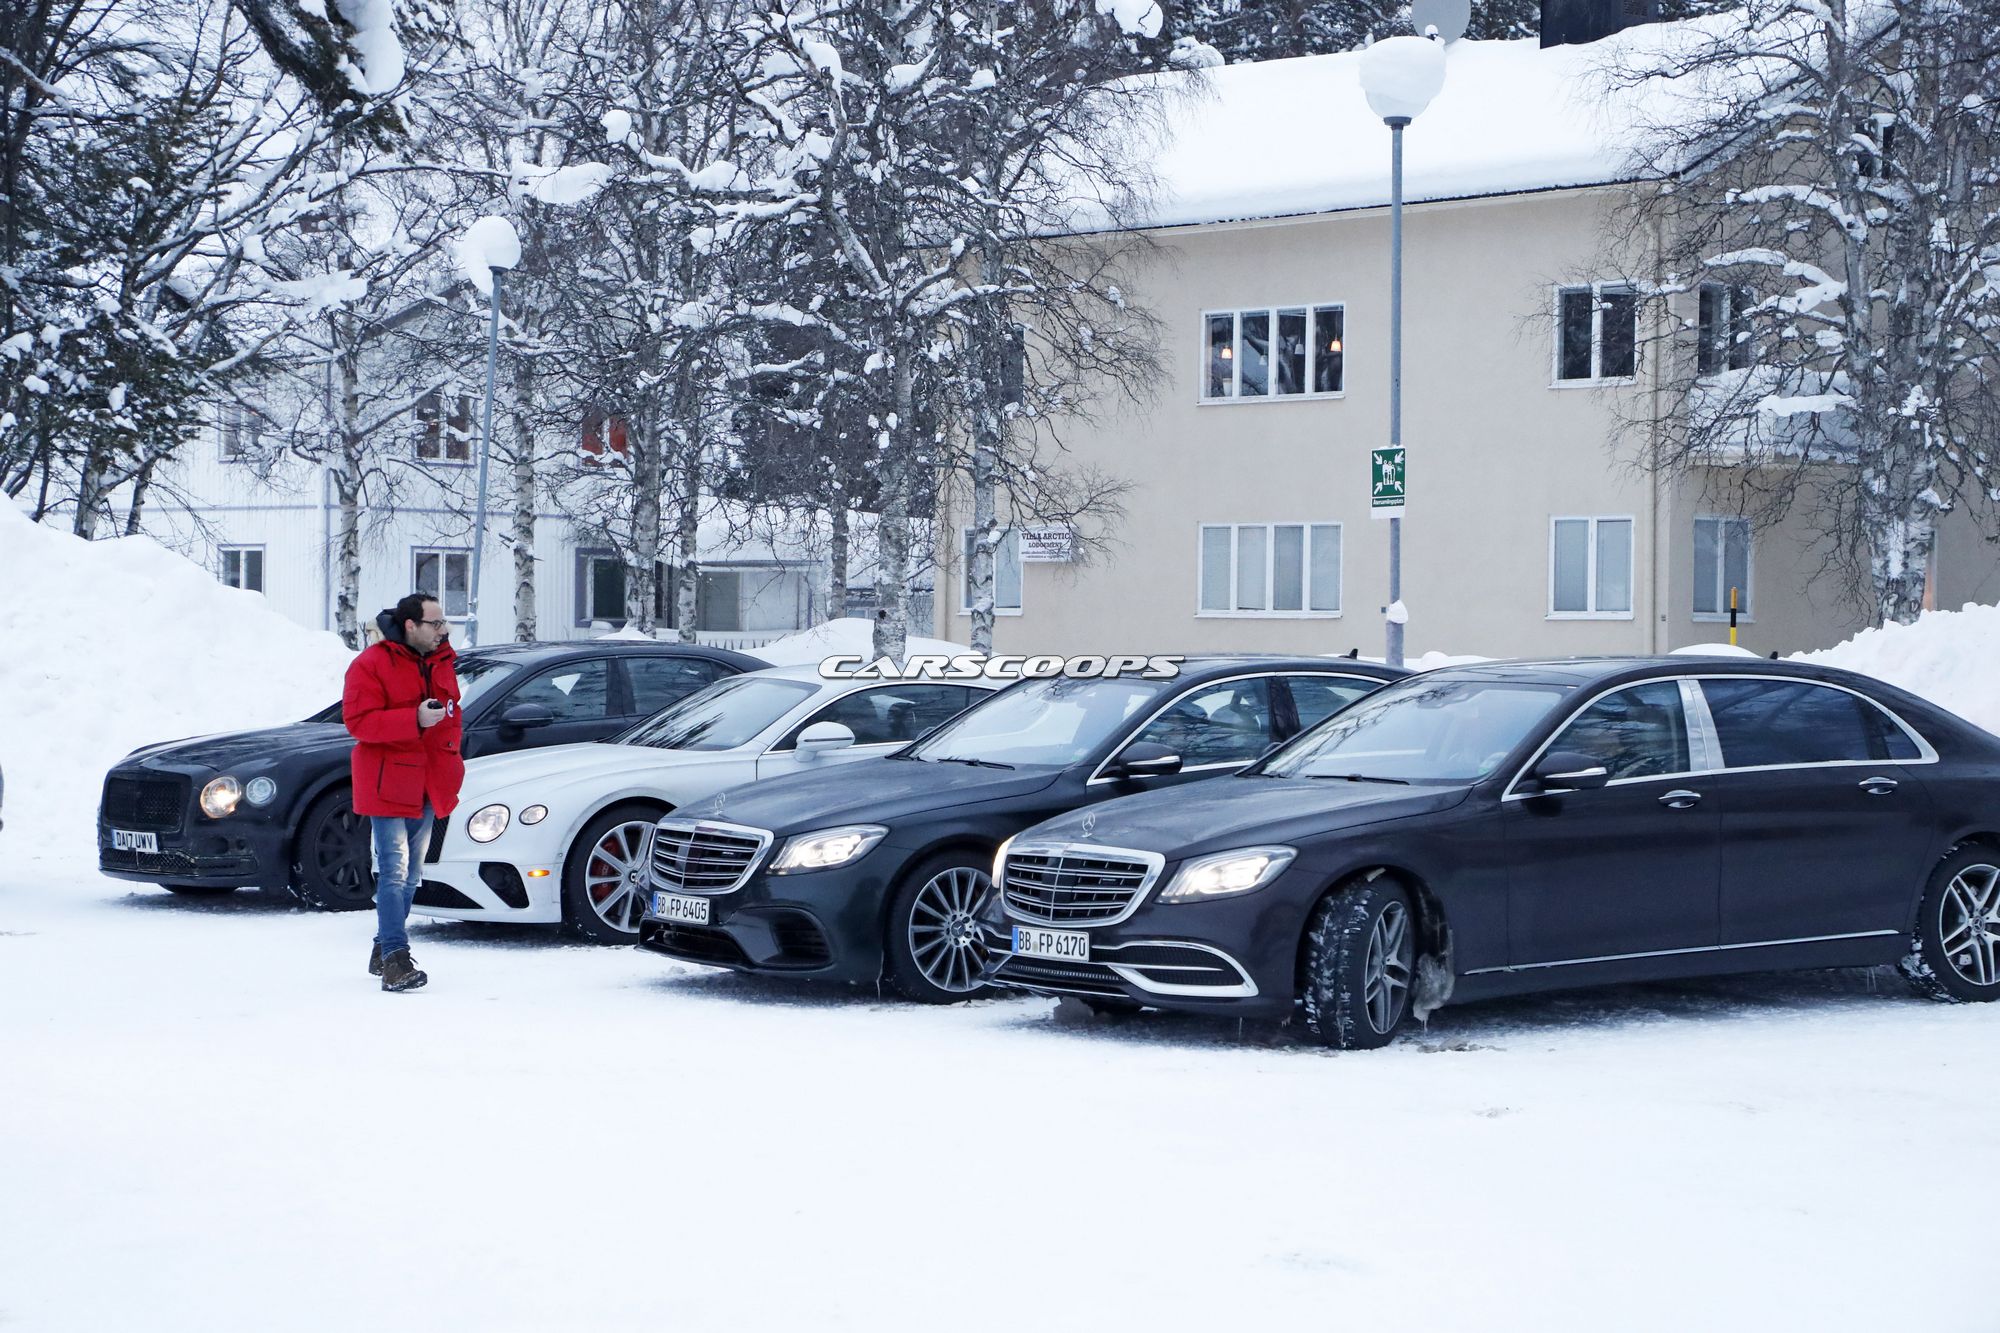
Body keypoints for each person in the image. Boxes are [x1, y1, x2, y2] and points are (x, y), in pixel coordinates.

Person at [343, 592, 464, 992]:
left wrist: (451, 759)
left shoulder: (442, 660)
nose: (443, 629)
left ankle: (384, 947)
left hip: (429, 779)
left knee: (412, 874)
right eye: (435, 623)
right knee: (394, 870)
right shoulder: (371, 663)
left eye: (443, 622)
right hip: (388, 782)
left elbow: (451, 717)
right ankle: (396, 958)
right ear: (411, 625)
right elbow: (359, 722)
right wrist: (413, 719)